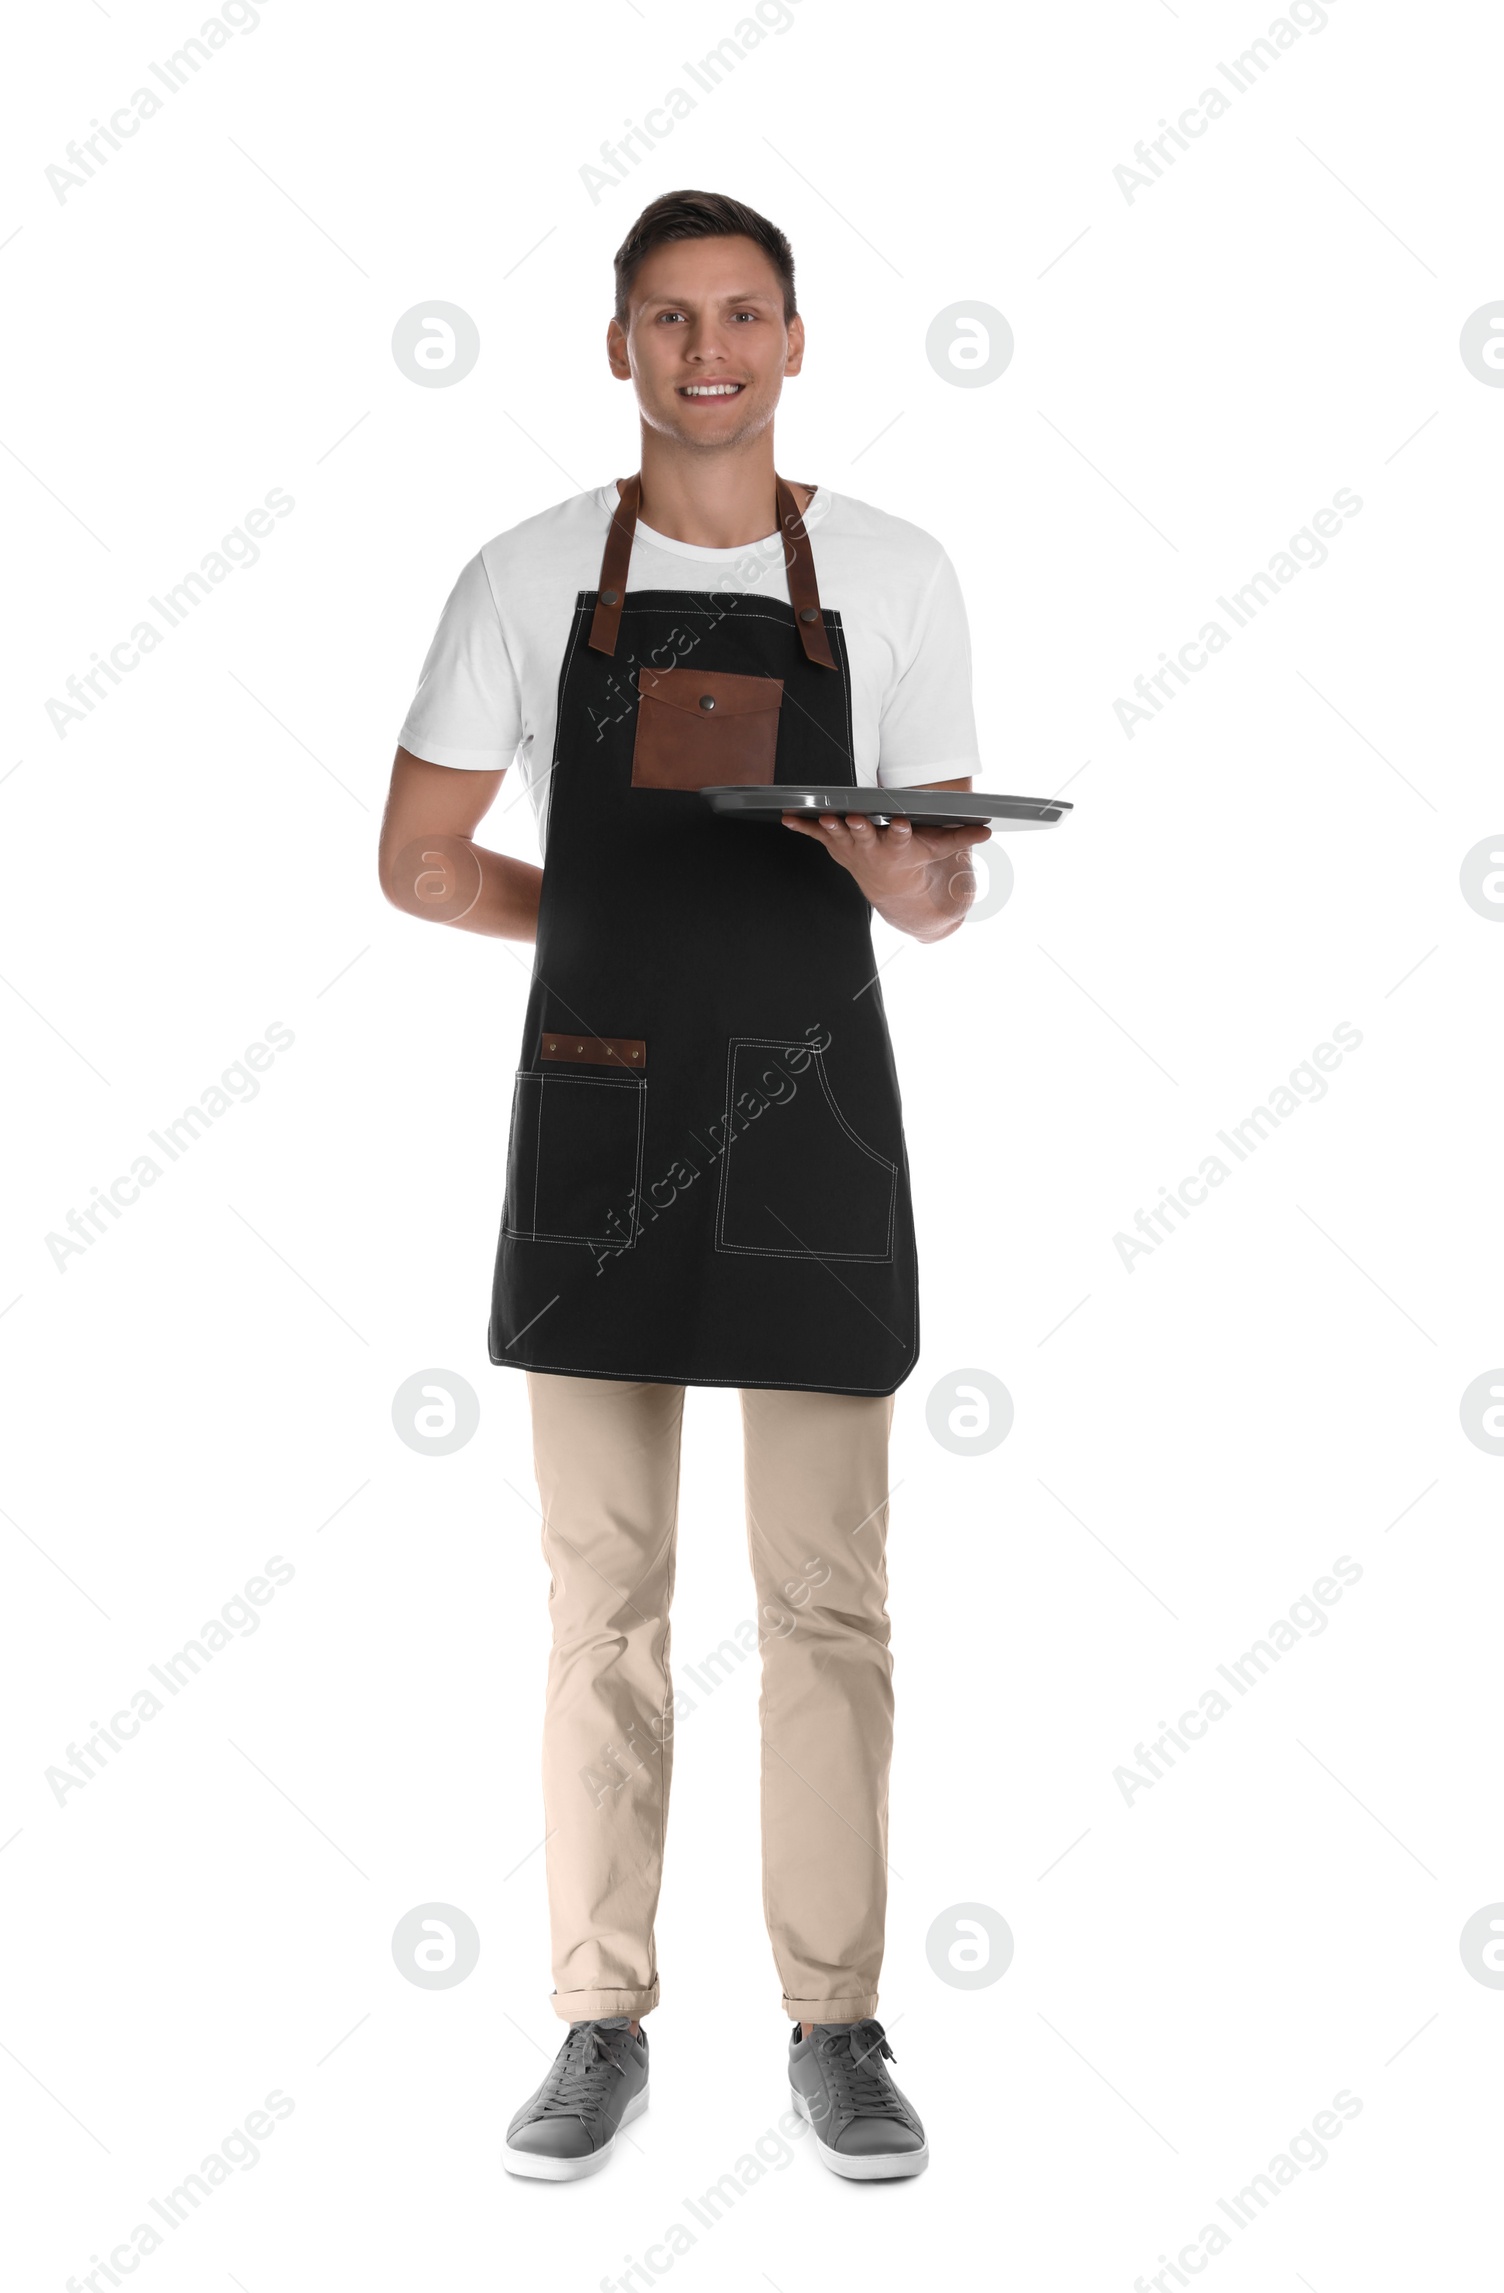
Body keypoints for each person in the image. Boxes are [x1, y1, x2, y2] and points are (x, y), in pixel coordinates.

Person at [379, 188, 989, 2183]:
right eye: (666, 319)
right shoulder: (525, 573)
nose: (705, 351)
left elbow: (937, 883)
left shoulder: (892, 575)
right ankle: (595, 2018)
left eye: (741, 316)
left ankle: (834, 2024)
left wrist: (909, 882)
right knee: (601, 1600)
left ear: (795, 342)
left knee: (828, 1601)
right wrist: (596, 961)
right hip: (603, 1119)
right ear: (617, 346)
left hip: (811, 1117)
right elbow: (417, 858)